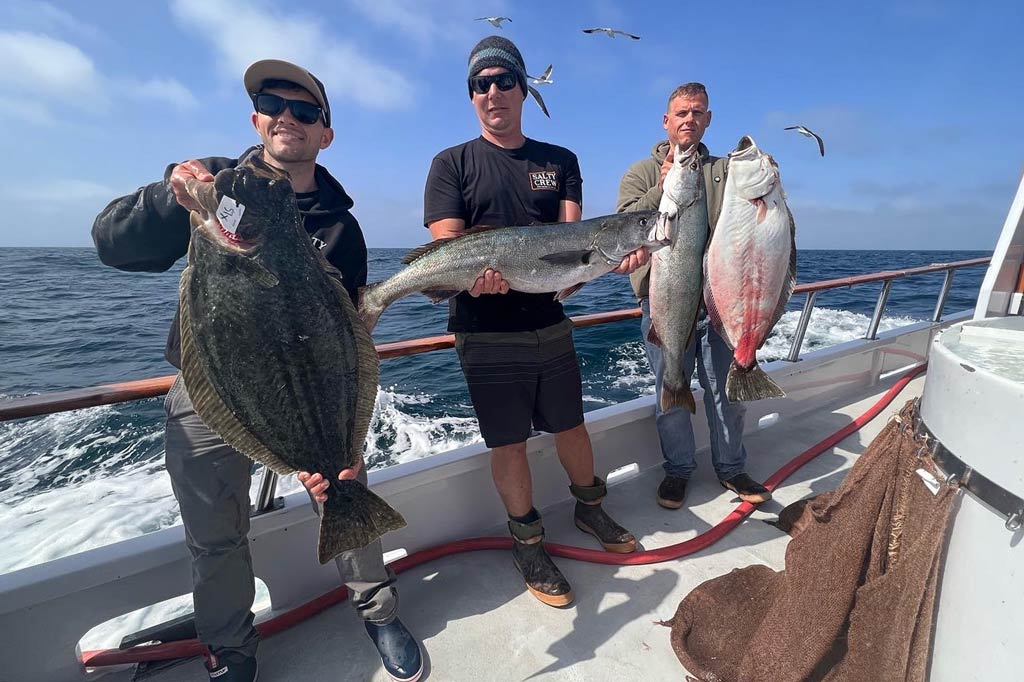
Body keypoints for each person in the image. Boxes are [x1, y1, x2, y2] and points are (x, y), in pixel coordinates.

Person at [91, 59, 422, 682]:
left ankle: (378, 610)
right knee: (214, 533)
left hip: (310, 392)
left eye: (306, 111)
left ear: (325, 132)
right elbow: (111, 242)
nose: (287, 117)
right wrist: (173, 195)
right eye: (274, 104)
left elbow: (345, 337)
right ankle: (230, 648)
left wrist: (342, 439)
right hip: (211, 388)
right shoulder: (220, 189)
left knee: (344, 488)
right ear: (256, 120)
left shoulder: (341, 227)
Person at [421, 36, 648, 608]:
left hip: (549, 322)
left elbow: (576, 249)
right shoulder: (451, 164)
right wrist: (478, 275)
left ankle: (591, 510)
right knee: (511, 444)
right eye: (480, 84)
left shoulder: (560, 162)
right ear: (472, 96)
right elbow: (445, 249)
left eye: (503, 81)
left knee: (572, 426)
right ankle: (527, 541)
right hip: (484, 328)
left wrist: (619, 261)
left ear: (524, 88)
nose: (492, 92)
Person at [616, 82, 772, 511]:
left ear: (708, 120)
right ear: (666, 121)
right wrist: (662, 185)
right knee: (670, 391)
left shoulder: (725, 171)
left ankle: (731, 468)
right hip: (662, 302)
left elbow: (751, 216)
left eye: (698, 113)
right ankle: (678, 471)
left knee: (727, 390)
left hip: (719, 304)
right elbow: (625, 223)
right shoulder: (640, 173)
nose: (689, 120)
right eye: (681, 113)